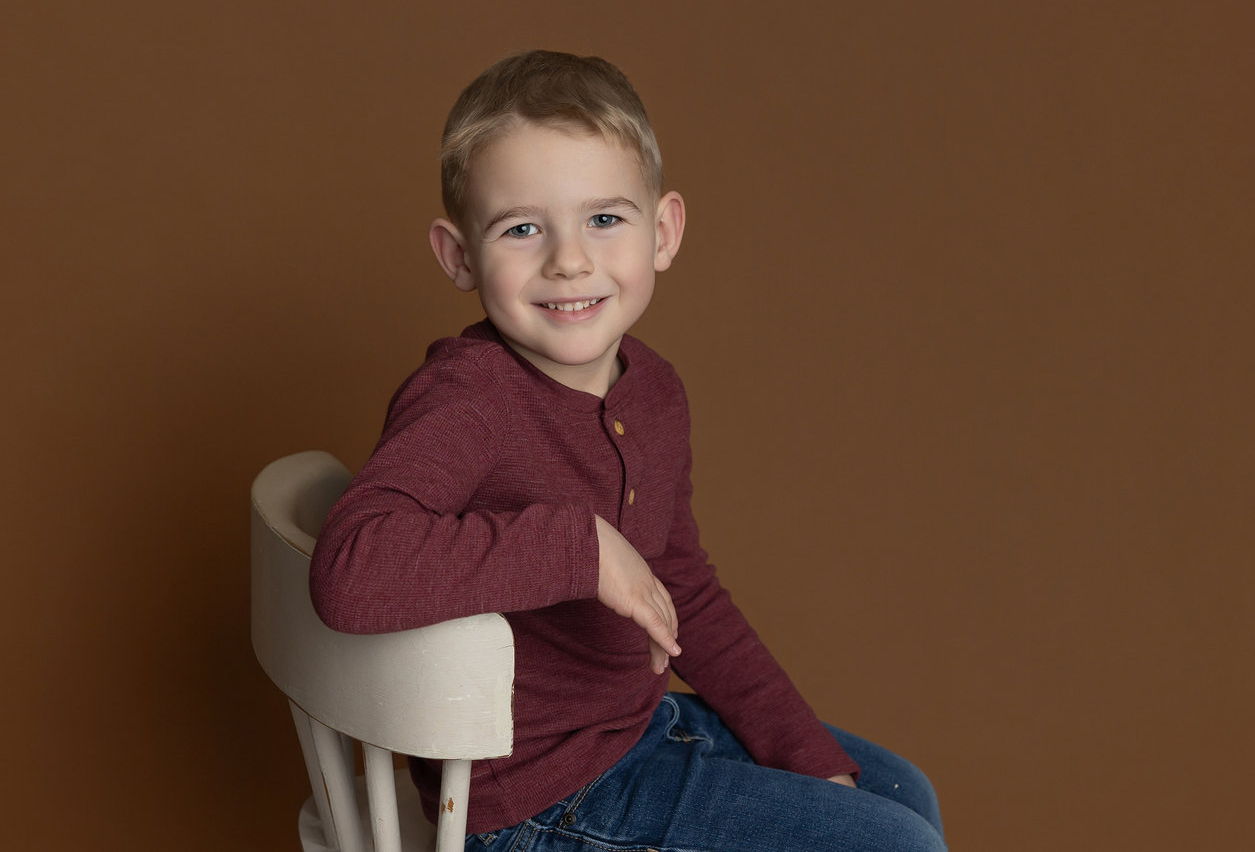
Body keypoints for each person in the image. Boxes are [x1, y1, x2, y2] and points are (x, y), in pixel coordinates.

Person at [310, 49, 946, 852]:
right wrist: (581, 547)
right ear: (459, 255)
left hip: (639, 733)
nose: (568, 259)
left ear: (663, 231)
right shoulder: (469, 399)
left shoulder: (653, 392)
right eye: (522, 228)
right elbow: (351, 568)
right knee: (894, 844)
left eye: (604, 218)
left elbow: (683, 588)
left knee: (900, 794)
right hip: (537, 801)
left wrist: (800, 752)